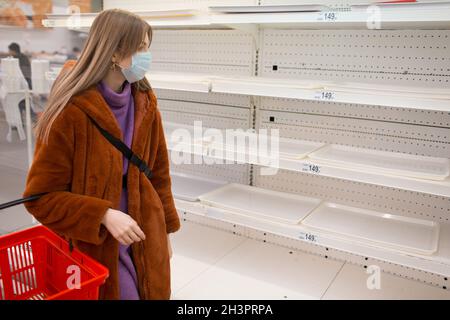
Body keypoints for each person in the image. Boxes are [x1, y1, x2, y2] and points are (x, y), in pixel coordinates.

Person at [22, 9, 181, 300]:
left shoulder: (144, 102)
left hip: (144, 231)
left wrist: (165, 233)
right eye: (142, 48)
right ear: (115, 53)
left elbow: (158, 172)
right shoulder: (68, 112)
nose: (147, 57)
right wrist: (103, 215)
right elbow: (40, 198)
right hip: (95, 243)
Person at [8, 42, 37, 123]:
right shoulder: (24, 57)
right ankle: (23, 120)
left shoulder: (15, 59)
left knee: (21, 102)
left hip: (22, 83)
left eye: (9, 50)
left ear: (13, 50)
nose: (9, 52)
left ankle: (21, 120)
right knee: (23, 102)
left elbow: (21, 73)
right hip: (26, 82)